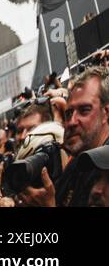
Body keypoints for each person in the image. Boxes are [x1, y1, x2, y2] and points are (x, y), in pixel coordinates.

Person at [18, 64, 109, 207]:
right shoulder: (77, 164)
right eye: (68, 113)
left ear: (106, 113)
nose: (71, 122)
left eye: (84, 110)